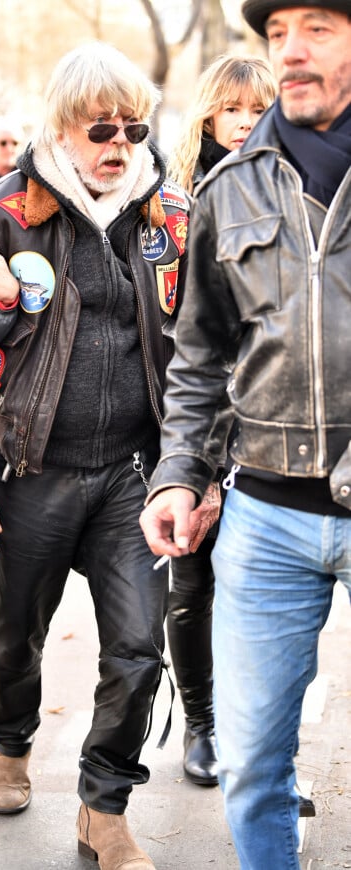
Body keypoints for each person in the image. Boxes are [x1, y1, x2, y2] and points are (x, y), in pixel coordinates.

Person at [0, 41, 210, 870]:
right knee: (14, 631)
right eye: (101, 129)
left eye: (133, 127)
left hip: (134, 474)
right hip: (32, 469)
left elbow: (199, 348)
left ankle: (104, 806)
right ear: (62, 126)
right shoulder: (1, 211)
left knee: (138, 646)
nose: (119, 143)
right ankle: (9, 743)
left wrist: (190, 470)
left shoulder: (170, 214)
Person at [139, 2, 351, 868]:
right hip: (264, 517)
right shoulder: (229, 190)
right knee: (252, 766)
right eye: (277, 34)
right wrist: (179, 473)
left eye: (321, 28)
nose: (290, 53)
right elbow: (199, 357)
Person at [165, 54, 277, 788]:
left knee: (265, 592)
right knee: (193, 584)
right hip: (194, 427)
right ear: (209, 113)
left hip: (269, 430)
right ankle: (201, 724)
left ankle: (258, 738)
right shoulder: (173, 205)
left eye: (257, 108)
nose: (245, 122)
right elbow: (182, 338)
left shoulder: (291, 195)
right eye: (233, 108)